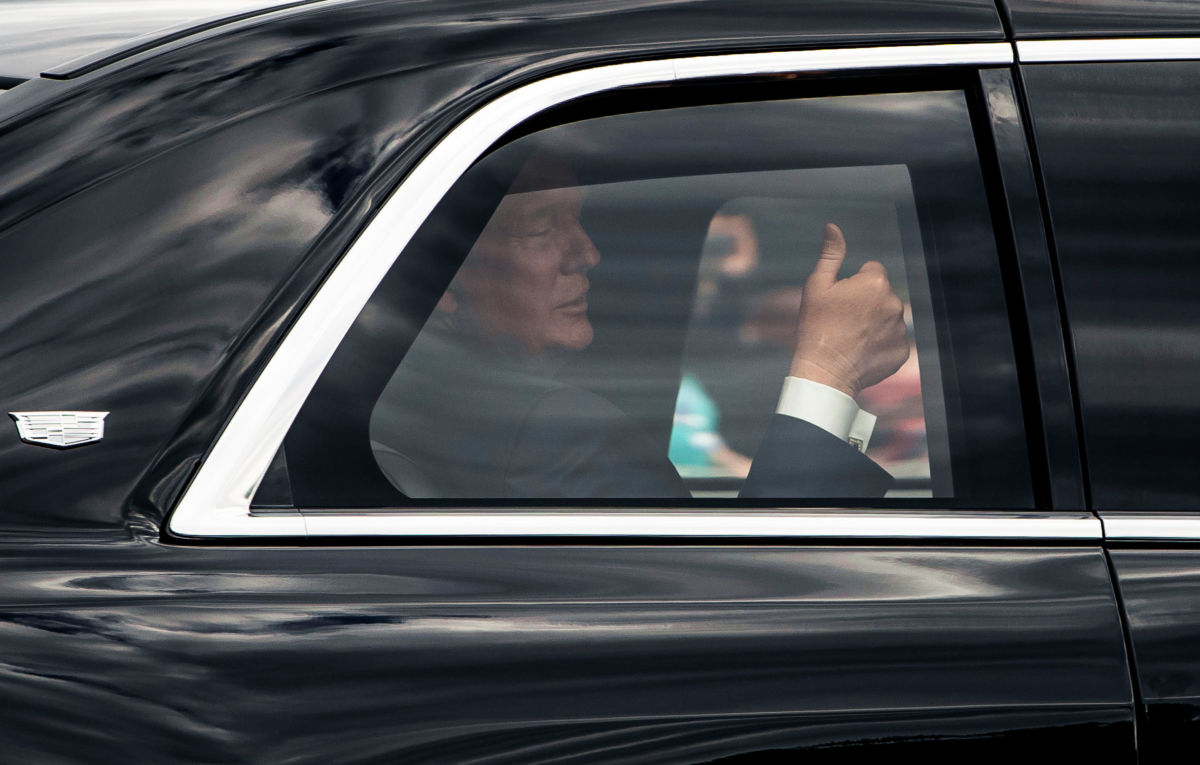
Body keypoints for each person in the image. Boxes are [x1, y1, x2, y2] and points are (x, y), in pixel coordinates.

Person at [369, 155, 909, 498]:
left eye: (579, 220)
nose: (589, 253)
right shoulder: (556, 430)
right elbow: (754, 599)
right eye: (540, 227)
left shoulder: (420, 407)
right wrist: (827, 372)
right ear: (439, 284)